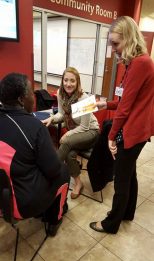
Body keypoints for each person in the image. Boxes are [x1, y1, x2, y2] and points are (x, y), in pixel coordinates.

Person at [89, 16, 154, 234]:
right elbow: (126, 101)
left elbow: (125, 109)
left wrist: (110, 137)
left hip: (134, 131)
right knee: (130, 173)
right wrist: (105, 103)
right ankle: (128, 212)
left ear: (129, 38)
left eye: (116, 43)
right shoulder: (137, 63)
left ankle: (111, 223)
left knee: (121, 179)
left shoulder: (140, 63)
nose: (114, 49)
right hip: (138, 129)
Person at [0, 73, 70, 236]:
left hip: (2, 199)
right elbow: (53, 170)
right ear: (21, 99)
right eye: (32, 92)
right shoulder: (35, 127)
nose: (34, 96)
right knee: (63, 171)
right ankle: (54, 219)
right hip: (23, 205)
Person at [42, 67, 100, 199]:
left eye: (72, 81)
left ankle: (49, 175)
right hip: (77, 133)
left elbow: (85, 127)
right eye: (66, 80)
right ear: (62, 81)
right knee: (69, 154)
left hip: (91, 132)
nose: (68, 84)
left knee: (66, 141)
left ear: (77, 82)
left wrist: (68, 134)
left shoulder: (84, 99)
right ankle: (78, 184)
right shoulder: (61, 94)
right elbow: (62, 114)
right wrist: (52, 118)